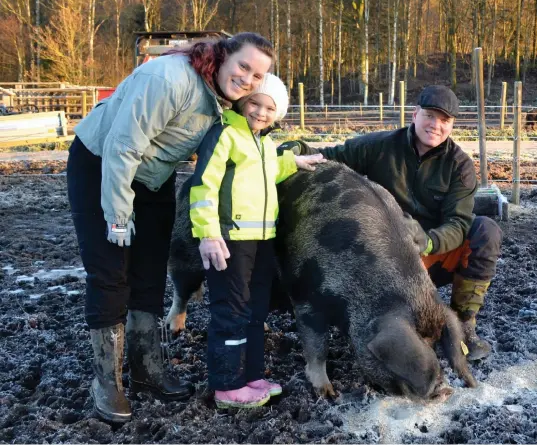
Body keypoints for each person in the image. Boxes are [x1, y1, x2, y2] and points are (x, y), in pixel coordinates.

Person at [67, 32, 275, 423]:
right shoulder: (168, 79)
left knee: (149, 271)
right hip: (102, 164)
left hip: (154, 175)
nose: (248, 79)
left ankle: (147, 368)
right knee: (112, 272)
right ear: (224, 56)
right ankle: (107, 382)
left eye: (258, 75)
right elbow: (121, 147)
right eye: (244, 66)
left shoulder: (226, 101)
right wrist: (117, 215)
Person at [281, 85, 502, 361]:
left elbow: (458, 223)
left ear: (452, 125)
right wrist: (297, 150)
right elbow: (330, 157)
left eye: (444, 120)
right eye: (430, 116)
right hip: (383, 260)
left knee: (486, 230)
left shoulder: (459, 165)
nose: (435, 125)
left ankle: (463, 325)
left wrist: (429, 240)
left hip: (431, 252)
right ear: (414, 114)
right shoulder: (380, 146)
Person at [189, 74, 324, 409]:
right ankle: (227, 386)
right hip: (229, 240)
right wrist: (207, 232)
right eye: (255, 103)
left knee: (255, 311)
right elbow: (203, 186)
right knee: (231, 311)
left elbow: (265, 172)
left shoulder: (263, 143)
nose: (261, 112)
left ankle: (251, 377)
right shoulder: (225, 135)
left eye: (269, 108)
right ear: (242, 102)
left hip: (262, 239)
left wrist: (293, 161)